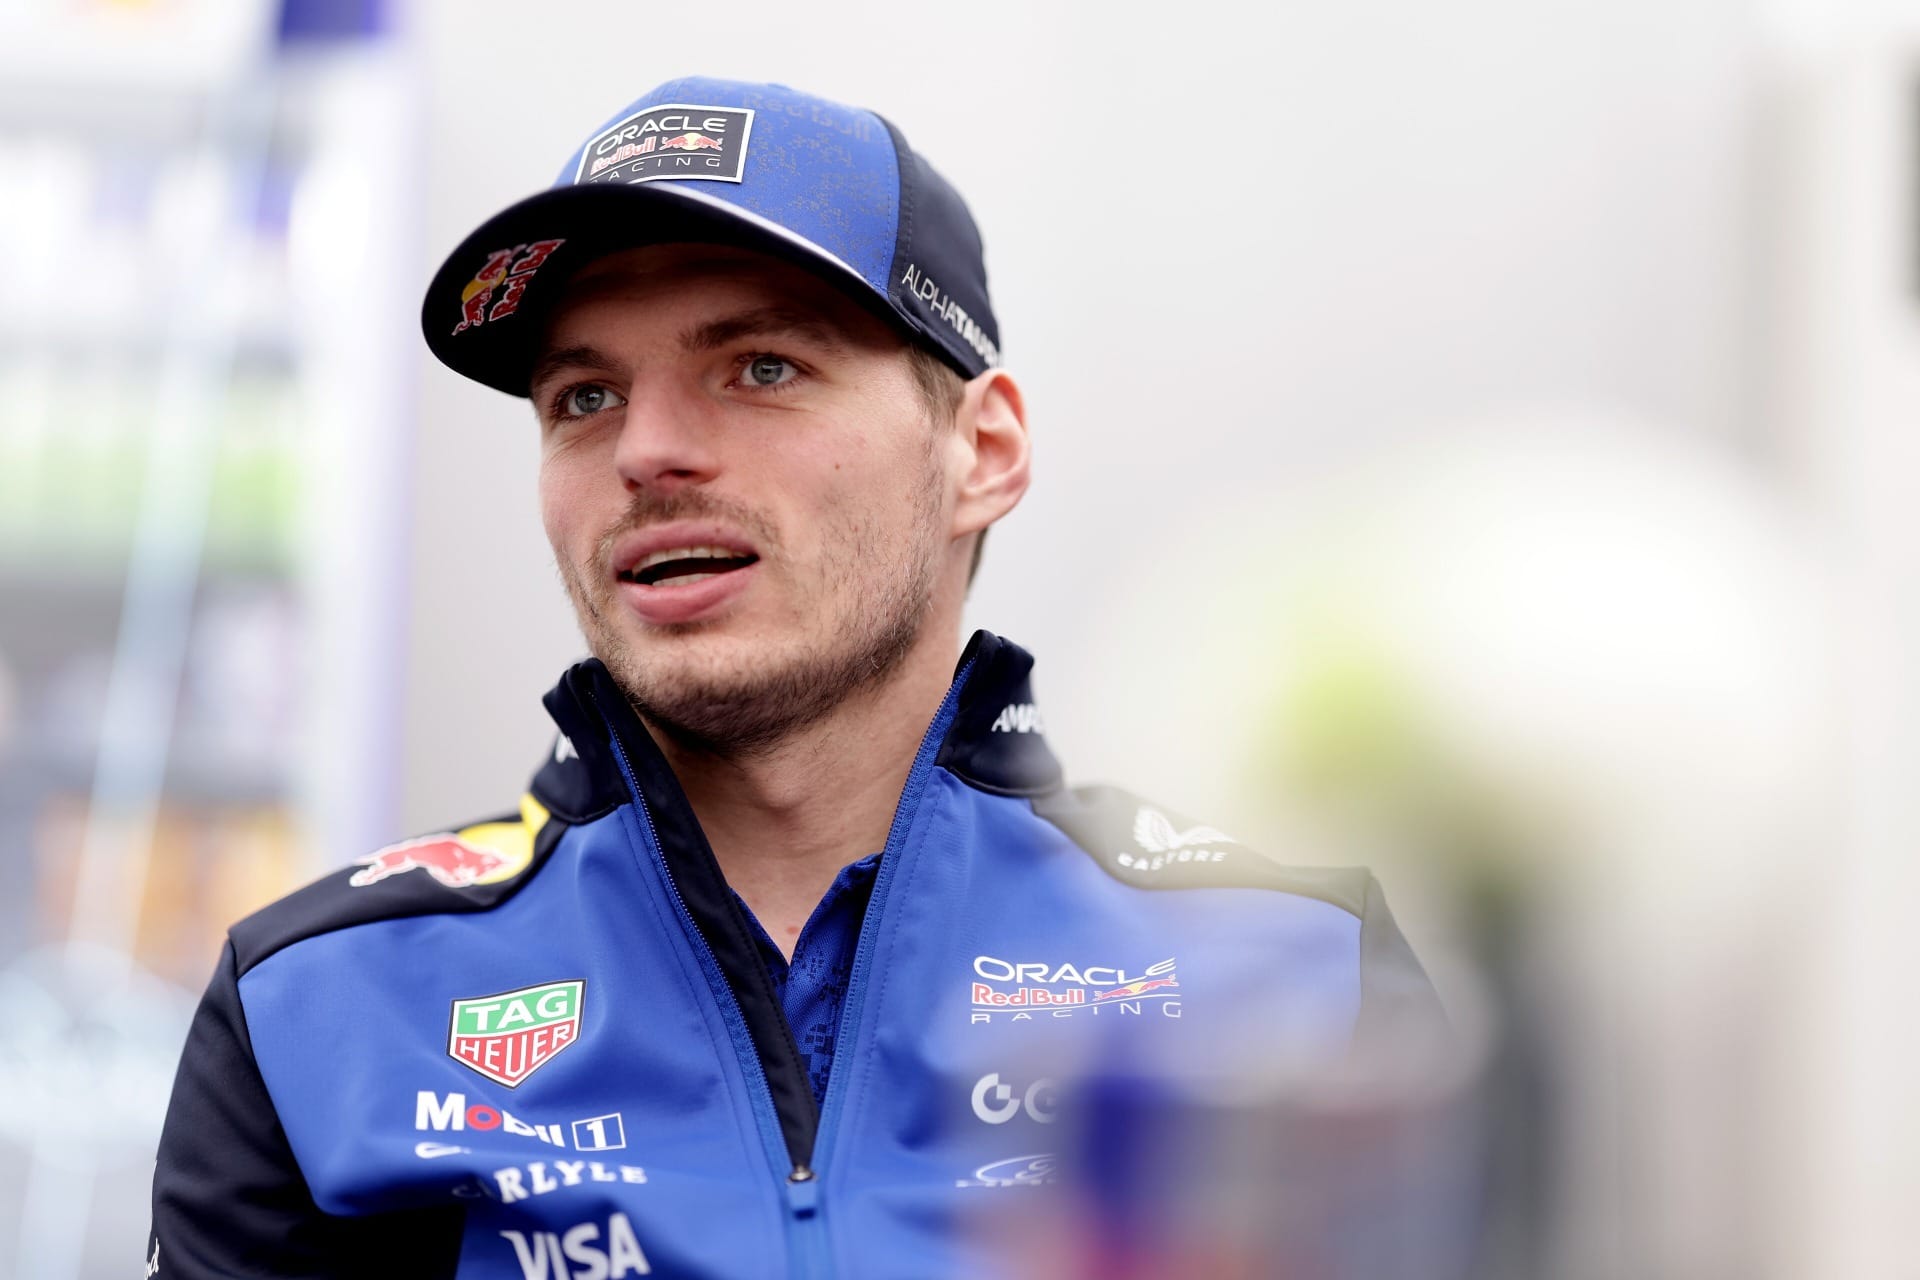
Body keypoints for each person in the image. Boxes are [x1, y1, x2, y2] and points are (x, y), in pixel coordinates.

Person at [147, 76, 1445, 1279]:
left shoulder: (1289, 969)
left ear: (982, 451)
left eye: (762, 368)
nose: (648, 450)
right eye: (583, 397)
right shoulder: (323, 1002)